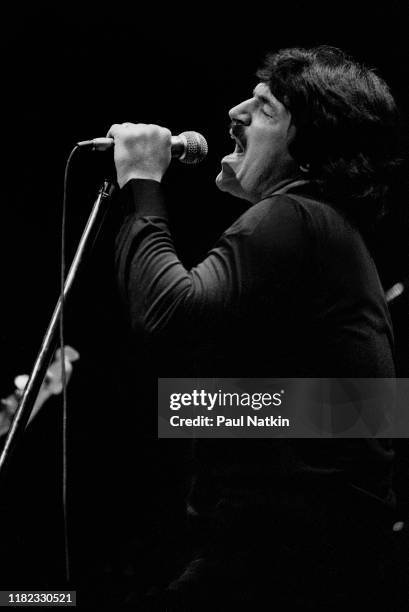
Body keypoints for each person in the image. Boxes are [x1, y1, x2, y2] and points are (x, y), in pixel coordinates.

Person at [108, 47, 406, 609]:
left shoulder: (295, 217)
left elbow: (165, 314)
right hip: (312, 555)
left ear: (313, 143)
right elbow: (363, 413)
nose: (236, 111)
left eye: (265, 107)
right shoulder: (325, 234)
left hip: (286, 562)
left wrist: (142, 183)